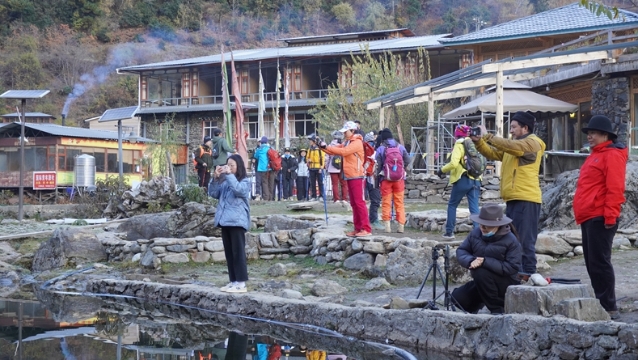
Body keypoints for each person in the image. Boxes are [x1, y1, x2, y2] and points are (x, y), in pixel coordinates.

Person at [471, 111, 546, 281]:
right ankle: (516, 272)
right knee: (513, 238)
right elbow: (492, 154)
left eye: (513, 127)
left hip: (527, 198)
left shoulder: (533, 143)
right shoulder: (514, 146)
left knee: (525, 239)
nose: (510, 131)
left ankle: (528, 272)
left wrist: (487, 135)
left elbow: (512, 147)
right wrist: (479, 142)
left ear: (525, 128)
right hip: (514, 198)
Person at [573, 115, 627, 319]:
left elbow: (615, 188)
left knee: (600, 262)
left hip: (600, 216)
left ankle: (609, 306)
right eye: (588, 133)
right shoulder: (596, 154)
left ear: (605, 135)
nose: (590, 136)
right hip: (589, 216)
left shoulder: (611, 155)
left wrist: (610, 216)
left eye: (593, 133)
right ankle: (602, 303)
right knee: (592, 262)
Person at [452, 203, 522, 314]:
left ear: (497, 225)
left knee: (480, 271)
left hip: (505, 283)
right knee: (458, 298)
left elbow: (512, 267)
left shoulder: (511, 240)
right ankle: (479, 304)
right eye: (481, 224)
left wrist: (484, 262)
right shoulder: (475, 233)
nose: (482, 228)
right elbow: (462, 250)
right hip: (483, 281)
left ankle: (497, 308)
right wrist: (471, 261)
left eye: (487, 225)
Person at [321, 121, 371, 237]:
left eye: (346, 131)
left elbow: (343, 152)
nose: (343, 133)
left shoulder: (357, 142)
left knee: (359, 203)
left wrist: (327, 147)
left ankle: (366, 228)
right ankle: (358, 228)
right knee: (354, 203)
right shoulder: (347, 141)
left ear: (352, 131)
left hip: (357, 175)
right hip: (350, 175)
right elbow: (333, 150)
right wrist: (322, 147)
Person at [209, 154, 251, 293]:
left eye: (232, 165)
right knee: (229, 253)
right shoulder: (226, 181)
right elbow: (214, 194)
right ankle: (233, 281)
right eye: (228, 165)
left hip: (237, 222)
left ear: (239, 166)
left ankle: (241, 283)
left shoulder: (245, 181)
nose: (229, 168)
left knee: (238, 253)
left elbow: (238, 190)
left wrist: (228, 175)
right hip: (225, 221)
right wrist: (215, 178)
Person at [440, 125, 481, 239]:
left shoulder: (459, 144)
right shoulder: (475, 144)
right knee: (474, 207)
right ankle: (478, 233)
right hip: (476, 179)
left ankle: (449, 232)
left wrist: (441, 170)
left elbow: (453, 163)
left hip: (463, 179)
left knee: (452, 205)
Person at [375, 128, 410, 233]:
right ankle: (401, 227)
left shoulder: (381, 148)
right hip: (399, 180)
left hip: (385, 179)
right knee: (399, 202)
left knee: (386, 202)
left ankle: (387, 227)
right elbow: (408, 160)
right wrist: (401, 169)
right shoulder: (400, 147)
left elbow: (377, 164)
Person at [365, 132, 383, 230]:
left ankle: (373, 218)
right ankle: (369, 219)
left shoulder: (376, 153)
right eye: (369, 143)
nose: (371, 145)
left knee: (376, 199)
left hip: (374, 178)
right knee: (370, 200)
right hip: (366, 178)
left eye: (372, 143)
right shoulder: (363, 153)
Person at [327, 131, 349, 204]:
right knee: (344, 184)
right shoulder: (344, 145)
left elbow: (327, 157)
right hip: (342, 167)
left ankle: (336, 199)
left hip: (332, 167)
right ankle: (344, 199)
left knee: (335, 184)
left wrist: (326, 167)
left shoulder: (330, 145)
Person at [253, 136, 275, 201]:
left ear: (261, 142)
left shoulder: (259, 149)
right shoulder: (270, 148)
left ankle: (266, 198)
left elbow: (255, 156)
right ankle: (271, 198)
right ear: (267, 142)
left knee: (264, 183)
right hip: (271, 168)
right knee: (271, 183)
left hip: (262, 169)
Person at [307, 134, 326, 201]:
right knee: (312, 182)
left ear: (314, 141)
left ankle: (321, 196)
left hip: (318, 168)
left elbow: (323, 158)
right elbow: (307, 157)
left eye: (311, 140)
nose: (310, 142)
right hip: (312, 167)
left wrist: (321, 167)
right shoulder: (310, 149)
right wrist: (308, 160)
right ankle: (313, 196)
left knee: (320, 182)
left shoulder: (320, 149)